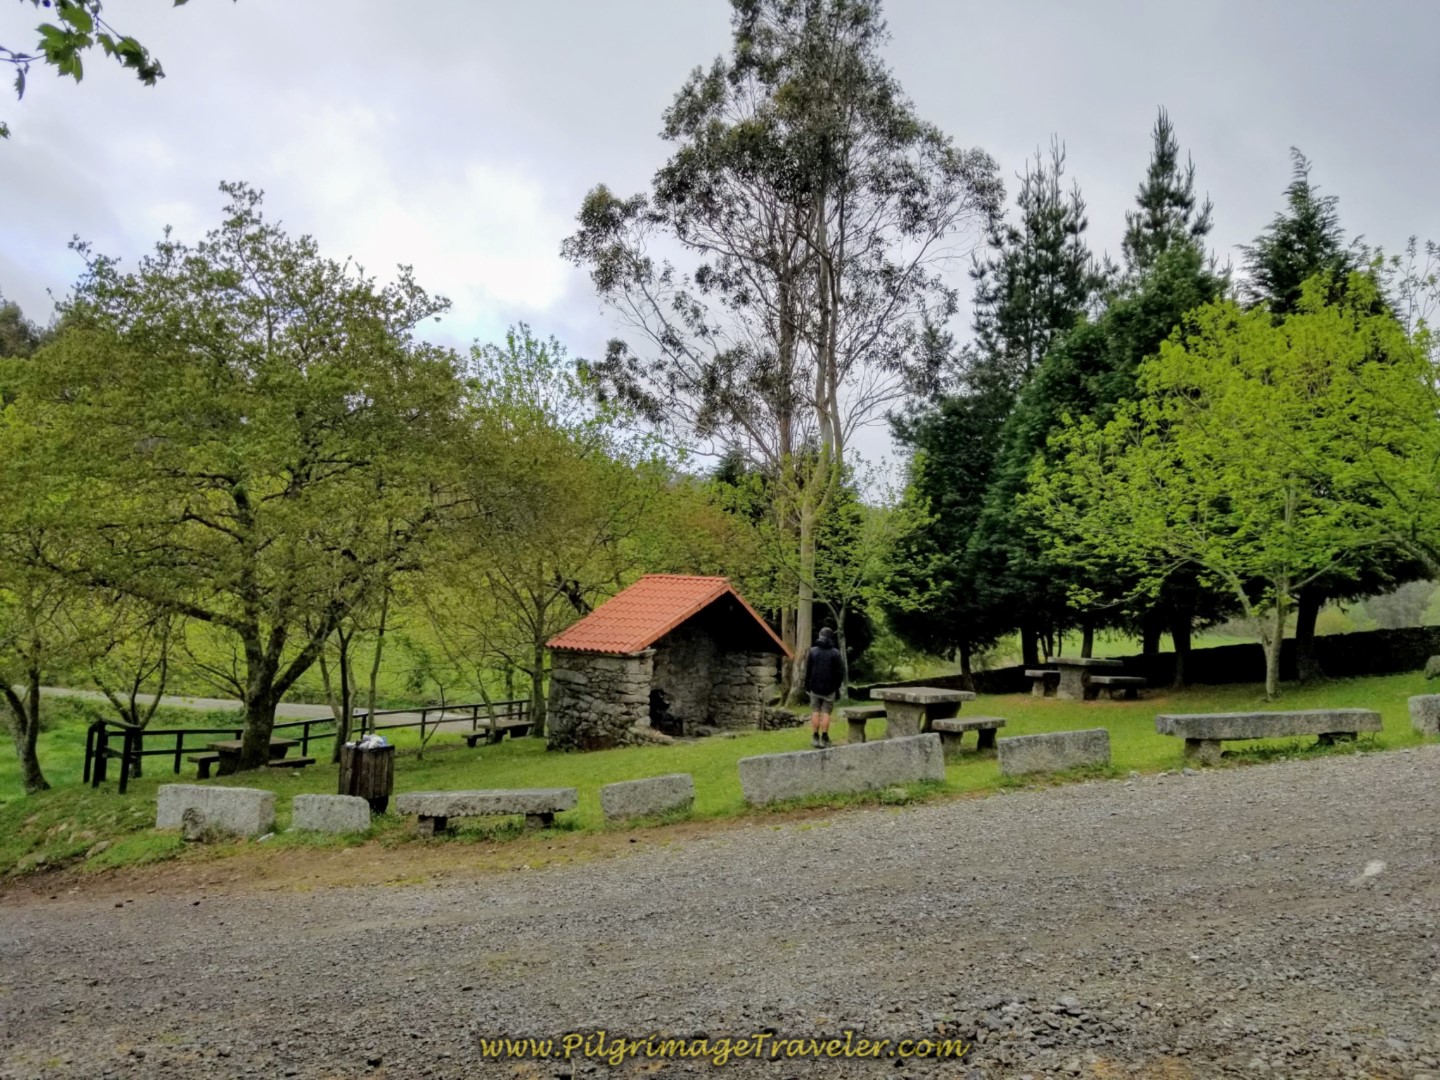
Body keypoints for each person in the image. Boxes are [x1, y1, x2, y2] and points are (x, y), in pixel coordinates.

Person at [805, 627, 844, 748]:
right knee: (826, 713)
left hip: (814, 687)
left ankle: (815, 737)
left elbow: (808, 670)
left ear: (820, 636)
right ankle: (825, 737)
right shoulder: (835, 653)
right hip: (830, 688)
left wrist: (807, 685)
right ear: (831, 637)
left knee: (815, 711)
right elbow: (840, 673)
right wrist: (836, 686)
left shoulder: (812, 651)